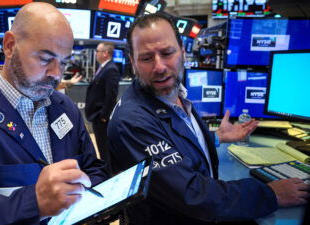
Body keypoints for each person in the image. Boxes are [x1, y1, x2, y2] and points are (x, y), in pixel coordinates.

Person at [107, 13, 310, 225]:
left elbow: (177, 142)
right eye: (146, 58)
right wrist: (270, 194)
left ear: (182, 52)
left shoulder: (176, 95)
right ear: (132, 61)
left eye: (167, 53)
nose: (159, 67)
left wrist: (217, 136)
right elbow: (193, 195)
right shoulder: (132, 121)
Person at [0, 3, 107, 224]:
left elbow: (93, 169)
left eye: (64, 63)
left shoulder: (66, 108)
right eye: (45, 59)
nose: (56, 74)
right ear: (9, 46)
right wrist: (34, 203)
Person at [85, 42, 120, 175]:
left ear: (105, 53)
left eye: (98, 51)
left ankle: (110, 176)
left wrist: (104, 116)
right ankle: (107, 172)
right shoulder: (104, 68)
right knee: (102, 147)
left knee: (105, 149)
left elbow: (111, 95)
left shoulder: (111, 69)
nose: (96, 53)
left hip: (101, 118)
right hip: (97, 116)